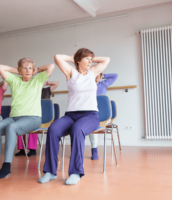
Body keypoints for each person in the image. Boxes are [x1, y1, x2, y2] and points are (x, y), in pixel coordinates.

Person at [39, 48, 110, 185]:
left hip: (90, 115)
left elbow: (106, 59)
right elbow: (57, 56)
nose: (90, 61)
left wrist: (89, 58)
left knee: (77, 130)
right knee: (53, 129)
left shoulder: (93, 72)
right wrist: (74, 58)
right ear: (78, 61)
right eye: (86, 59)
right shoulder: (71, 72)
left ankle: (76, 172)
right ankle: (50, 171)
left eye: (91, 59)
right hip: (70, 115)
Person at [0, 58, 55, 179]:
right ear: (20, 70)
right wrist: (18, 71)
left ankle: (6, 166)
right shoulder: (14, 80)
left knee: (11, 128)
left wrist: (36, 70)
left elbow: (51, 66)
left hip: (33, 117)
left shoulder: (38, 80)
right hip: (14, 117)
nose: (28, 70)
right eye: (25, 68)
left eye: (30, 68)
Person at [15, 81, 59, 157]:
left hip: (43, 117)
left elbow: (57, 83)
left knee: (33, 123)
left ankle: (32, 149)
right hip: (29, 115)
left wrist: (45, 83)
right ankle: (22, 149)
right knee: (21, 124)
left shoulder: (46, 90)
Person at [89, 73, 118, 160]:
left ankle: (94, 150)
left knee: (94, 123)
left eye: (99, 75)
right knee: (90, 122)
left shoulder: (103, 84)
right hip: (91, 114)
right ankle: (88, 150)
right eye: (95, 74)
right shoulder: (87, 86)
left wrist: (103, 75)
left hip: (104, 116)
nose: (97, 76)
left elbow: (115, 75)